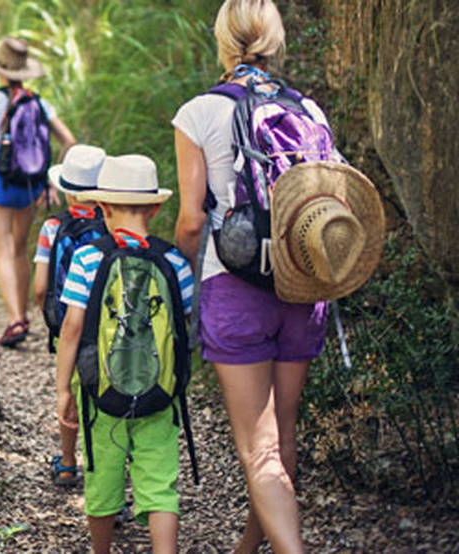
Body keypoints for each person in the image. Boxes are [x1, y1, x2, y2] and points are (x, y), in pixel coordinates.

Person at [171, 1, 329, 552]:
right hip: (305, 285)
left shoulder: (198, 114)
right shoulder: (309, 110)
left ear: (223, 41)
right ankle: (246, 547)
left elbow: (192, 221)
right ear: (275, 41)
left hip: (234, 285)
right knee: (281, 436)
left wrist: (182, 278)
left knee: (258, 448)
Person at [55, 154, 195, 554]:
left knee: (102, 477)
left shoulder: (87, 258)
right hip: (160, 391)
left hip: (101, 392)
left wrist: (63, 387)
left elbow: (72, 327)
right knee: (160, 482)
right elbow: (183, 323)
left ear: (103, 207)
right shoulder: (173, 261)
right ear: (155, 208)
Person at [0, 36, 77, 347]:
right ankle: (22, 313)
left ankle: (16, 320)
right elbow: (69, 141)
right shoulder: (39, 102)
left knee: (3, 250)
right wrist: (52, 181)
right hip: (30, 182)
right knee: (20, 249)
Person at [32, 144, 107, 487]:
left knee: (71, 394)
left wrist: (49, 314)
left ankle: (66, 461)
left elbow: (40, 285)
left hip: (68, 326)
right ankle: (107, 474)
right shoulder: (114, 224)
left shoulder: (52, 227)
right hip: (108, 328)